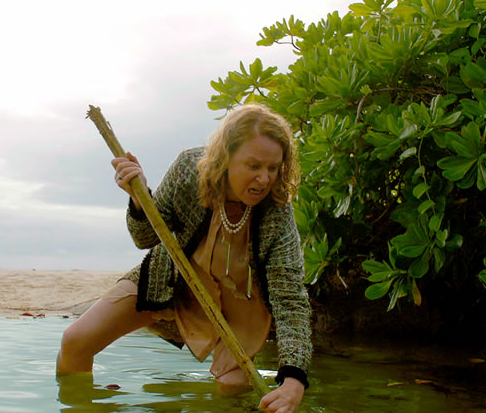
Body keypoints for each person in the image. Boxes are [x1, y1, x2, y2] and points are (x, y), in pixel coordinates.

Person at [58, 104, 312, 412]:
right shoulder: (190, 170)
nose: (264, 179)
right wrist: (139, 199)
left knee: (232, 389)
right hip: (170, 281)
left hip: (240, 309)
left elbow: (290, 297)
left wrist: (293, 379)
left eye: (273, 168)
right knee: (75, 340)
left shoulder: (277, 208)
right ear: (226, 157)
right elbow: (146, 238)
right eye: (253, 165)